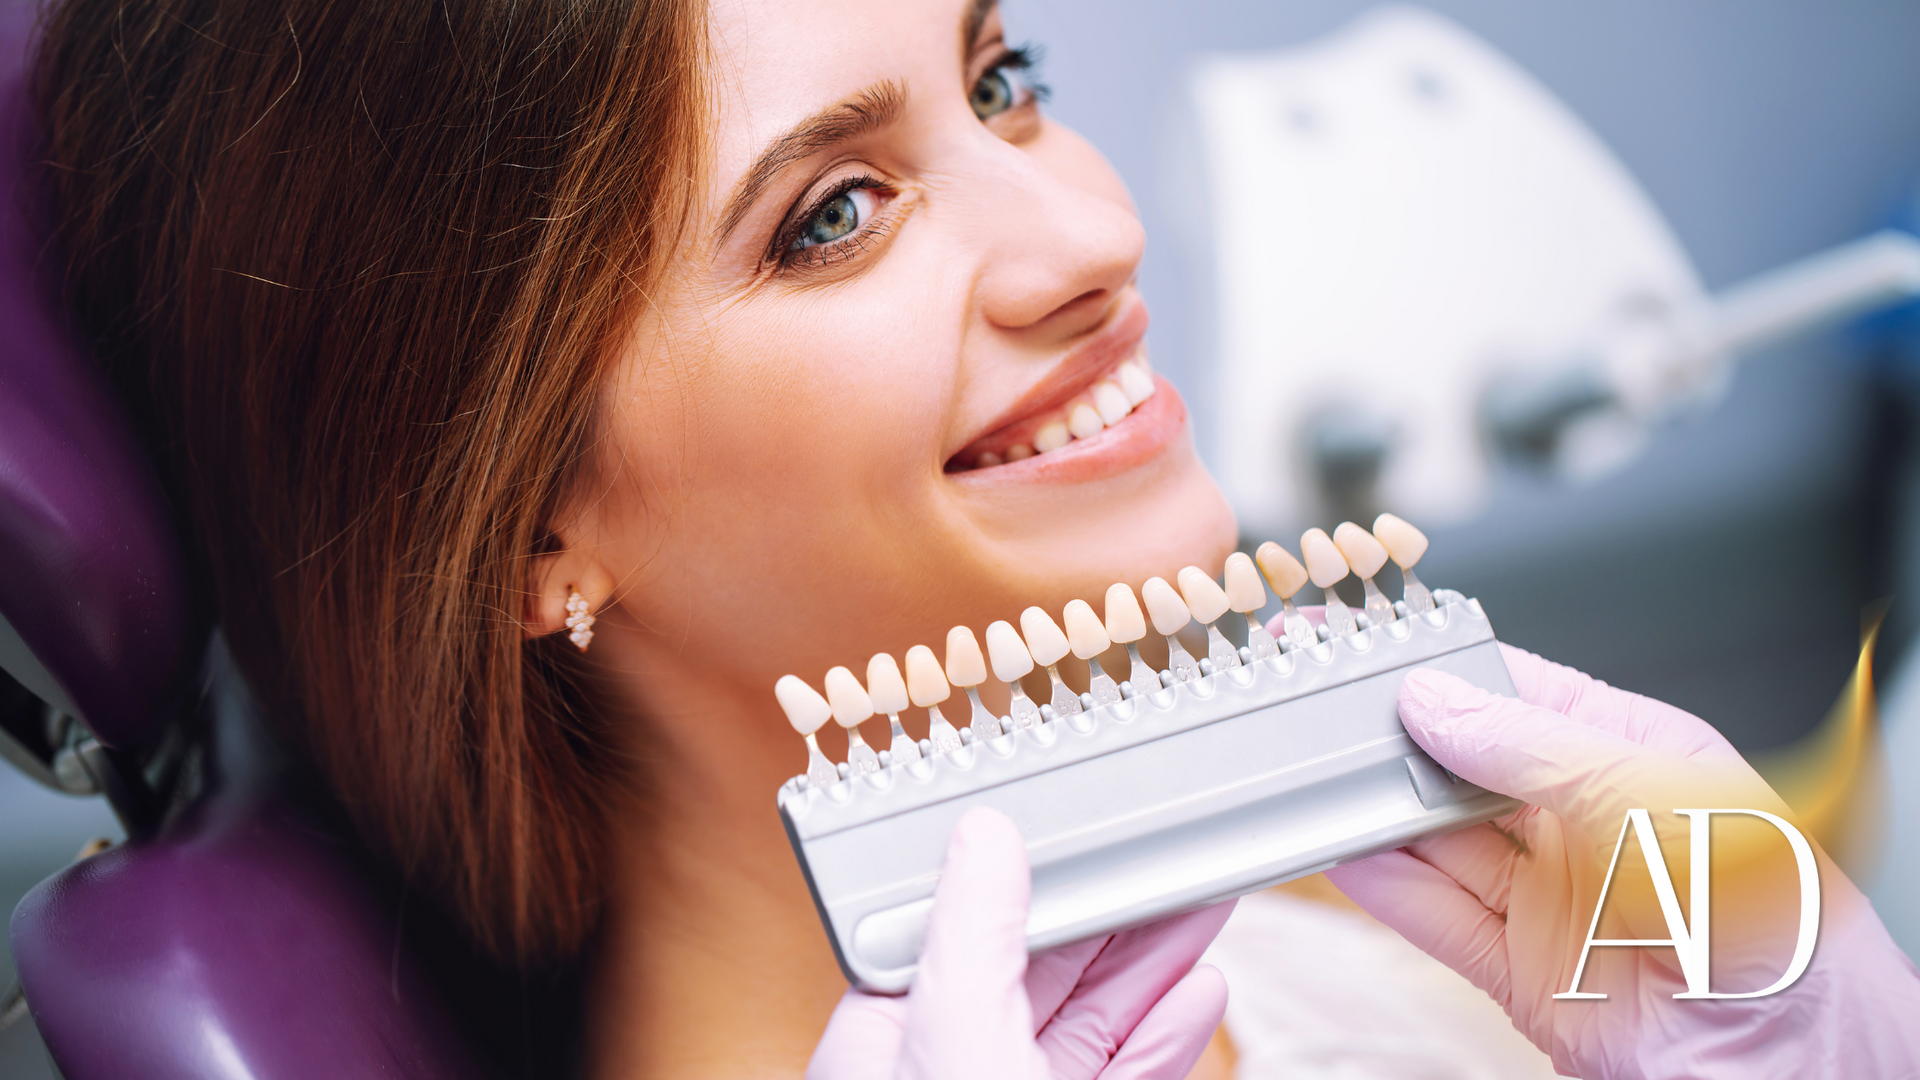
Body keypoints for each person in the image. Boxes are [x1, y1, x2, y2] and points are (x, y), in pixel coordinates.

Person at [30, 0, 1920, 1077]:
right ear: (519, 519)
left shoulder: (1362, 956)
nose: (1091, 240)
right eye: (835, 214)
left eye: (1004, 79)